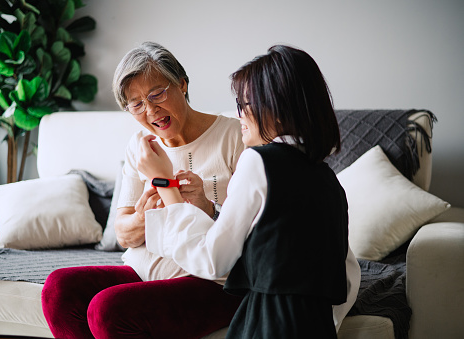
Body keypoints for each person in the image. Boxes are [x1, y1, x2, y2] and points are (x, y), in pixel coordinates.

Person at [137, 45, 361, 338]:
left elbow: (212, 259)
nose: (238, 114)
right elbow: (343, 276)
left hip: (268, 324)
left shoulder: (258, 161)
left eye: (243, 104)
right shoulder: (328, 180)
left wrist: (164, 182)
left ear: (276, 108)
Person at [41, 41, 245, 338]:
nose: (150, 110)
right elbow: (123, 234)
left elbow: (253, 231)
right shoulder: (141, 148)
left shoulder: (234, 136)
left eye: (157, 94)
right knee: (59, 288)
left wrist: (201, 205)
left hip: (210, 279)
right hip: (144, 270)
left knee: (108, 309)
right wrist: (142, 216)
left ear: (182, 84)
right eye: (136, 104)